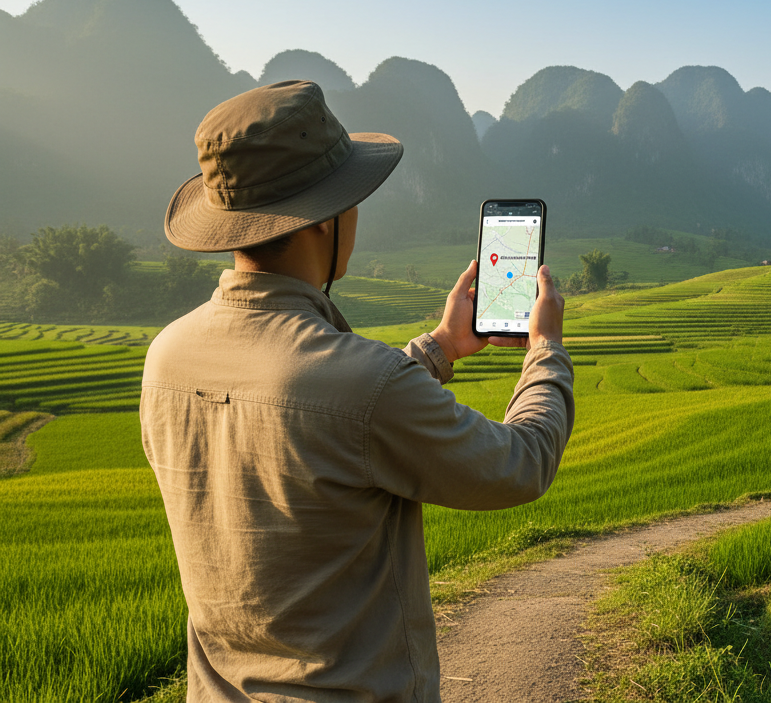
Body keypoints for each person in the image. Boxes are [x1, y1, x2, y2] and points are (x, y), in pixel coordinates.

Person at [140, 80, 575, 701]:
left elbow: (324, 413)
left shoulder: (167, 358)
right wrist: (545, 350)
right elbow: (519, 464)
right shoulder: (362, 382)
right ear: (323, 221)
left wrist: (440, 347)